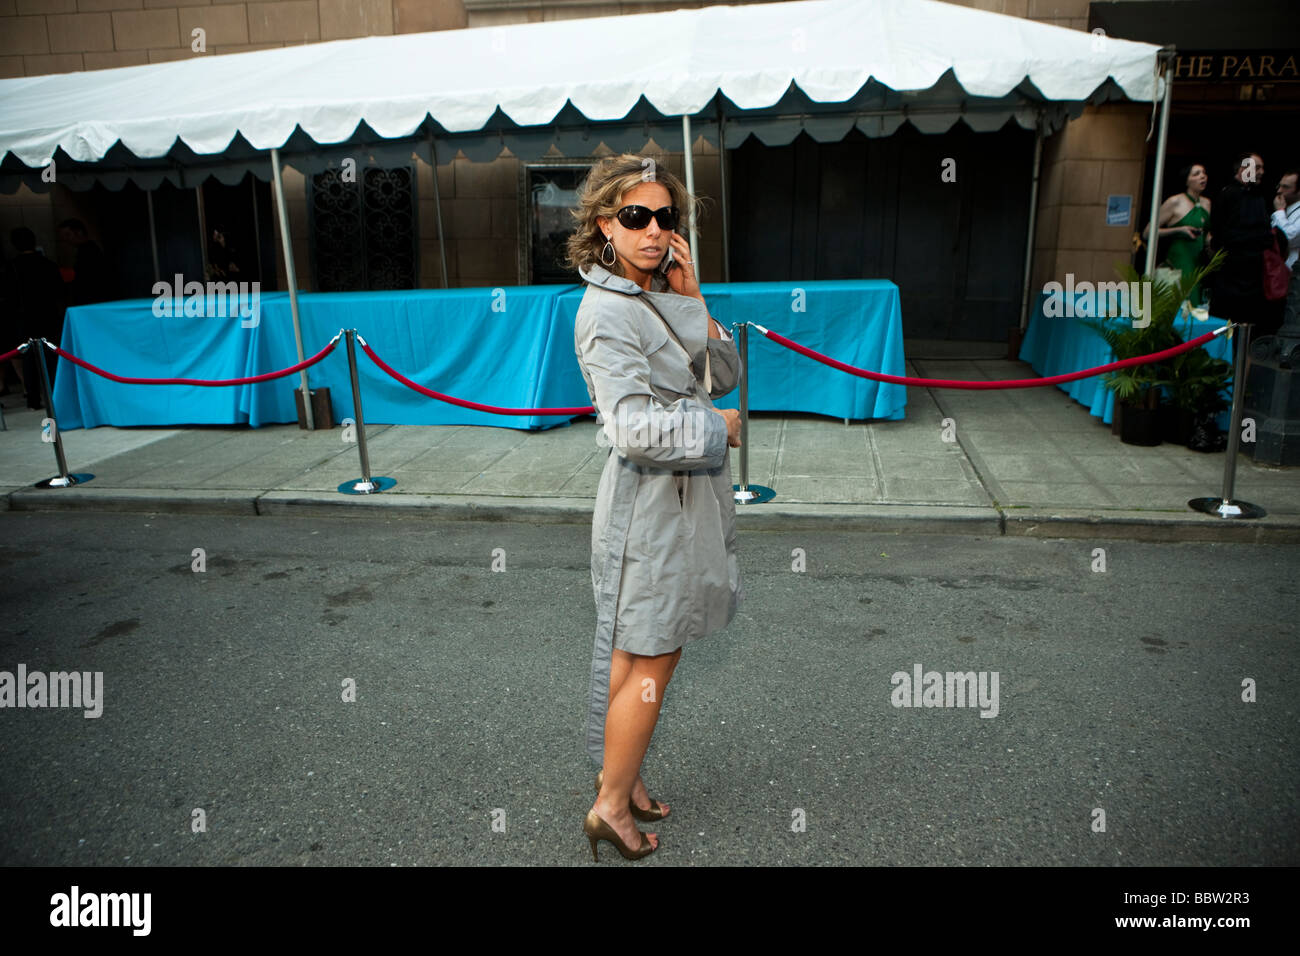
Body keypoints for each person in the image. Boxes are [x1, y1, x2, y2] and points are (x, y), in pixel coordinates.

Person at [567, 154, 743, 861]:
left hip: (676, 503)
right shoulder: (607, 312)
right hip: (648, 510)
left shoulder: (652, 296)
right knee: (654, 655)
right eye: (635, 216)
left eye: (664, 217)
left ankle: (623, 774)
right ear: (605, 224)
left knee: (632, 652)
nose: (653, 229)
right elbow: (633, 427)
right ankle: (611, 806)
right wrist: (715, 428)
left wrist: (690, 296)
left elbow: (722, 374)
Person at [1209, 152, 1278, 357]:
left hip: (1253, 279)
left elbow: (1265, 234)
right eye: (1257, 168)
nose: (1261, 172)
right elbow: (1221, 235)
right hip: (1230, 277)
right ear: (1242, 170)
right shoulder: (1227, 195)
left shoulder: (1258, 197)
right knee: (1224, 328)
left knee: (1248, 333)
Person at [1, 227, 66, 409]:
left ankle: (33, 399)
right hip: (49, 316)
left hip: (25, 318)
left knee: (28, 360)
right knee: (52, 357)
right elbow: (60, 292)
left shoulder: (11, 267)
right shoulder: (48, 264)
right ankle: (56, 394)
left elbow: (8, 296)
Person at [1154, 163, 1211, 306]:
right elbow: (1148, 232)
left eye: (1203, 172)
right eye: (1196, 174)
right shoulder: (1175, 201)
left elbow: (1207, 232)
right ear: (1187, 180)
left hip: (1198, 259)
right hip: (1179, 258)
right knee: (1179, 301)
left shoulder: (1206, 203)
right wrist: (1179, 230)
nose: (1202, 176)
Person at [56, 218, 113, 306]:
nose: (65, 239)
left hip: (92, 301)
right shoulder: (88, 249)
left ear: (79, 232)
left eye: (68, 235)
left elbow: (85, 276)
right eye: (63, 236)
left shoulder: (88, 251)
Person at [1272, 168, 1299, 272]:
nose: (1279, 191)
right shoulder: (1285, 209)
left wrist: (1279, 211)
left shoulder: (1281, 211)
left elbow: (1288, 237)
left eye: (1285, 187)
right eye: (1279, 186)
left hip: (1294, 275)